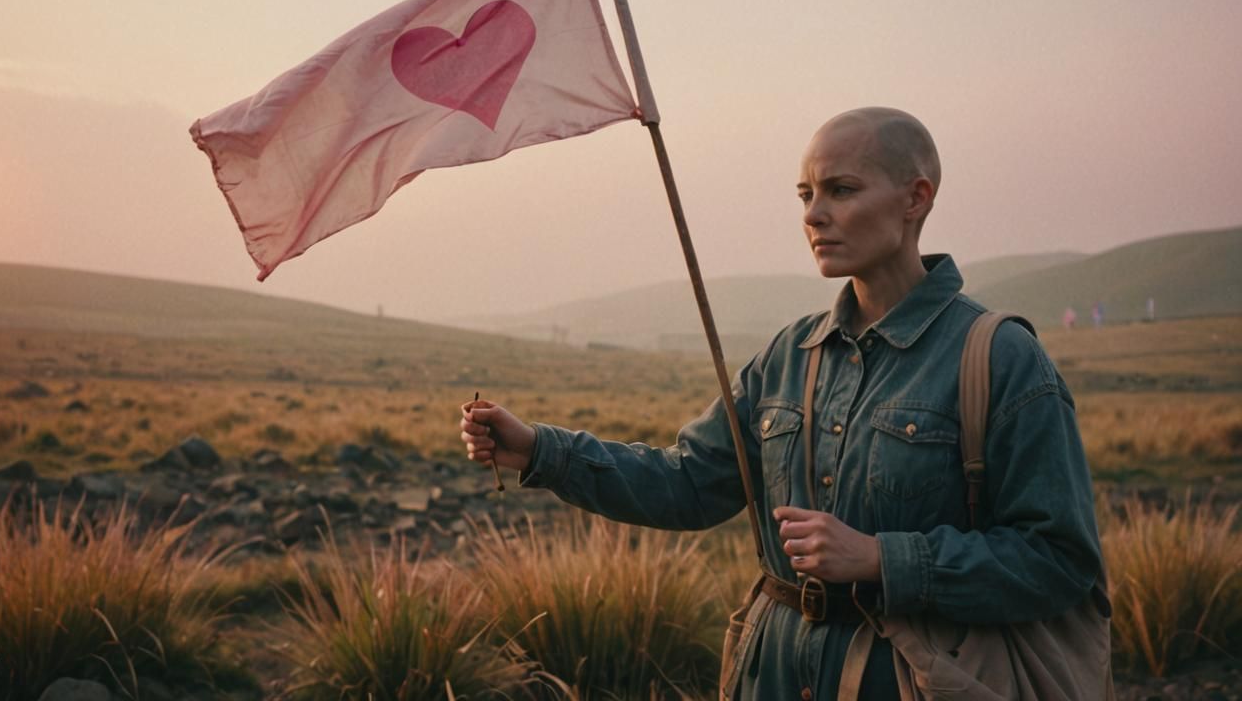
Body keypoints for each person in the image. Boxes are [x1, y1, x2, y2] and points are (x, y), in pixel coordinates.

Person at [459, 107, 1104, 699]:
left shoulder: (998, 358)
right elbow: (688, 483)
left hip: (914, 680)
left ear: (916, 198)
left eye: (841, 190)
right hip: (769, 673)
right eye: (806, 194)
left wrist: (883, 558)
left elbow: (1058, 561)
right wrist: (542, 451)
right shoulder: (790, 356)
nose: (814, 215)